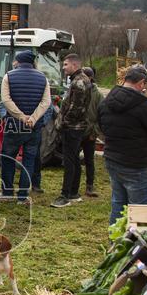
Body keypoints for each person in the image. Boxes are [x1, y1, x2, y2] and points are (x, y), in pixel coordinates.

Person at [98, 65, 147, 225]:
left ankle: (116, 241)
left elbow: (101, 126)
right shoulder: (145, 106)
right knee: (138, 210)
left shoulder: (106, 101)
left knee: (118, 202)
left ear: (125, 80)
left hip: (113, 159)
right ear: (141, 83)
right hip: (137, 165)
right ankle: (132, 244)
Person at [0, 50, 50, 203]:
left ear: (18, 61)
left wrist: (21, 116)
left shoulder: (8, 76)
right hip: (34, 127)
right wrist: (32, 119)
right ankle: (22, 196)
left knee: (8, 158)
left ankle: (7, 192)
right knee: (29, 160)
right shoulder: (43, 78)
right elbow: (46, 102)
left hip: (14, 126)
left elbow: (6, 100)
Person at [51, 54, 92, 208]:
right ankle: (74, 193)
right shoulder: (78, 79)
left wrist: (63, 123)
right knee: (74, 159)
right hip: (75, 127)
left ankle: (65, 195)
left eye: (66, 64)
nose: (63, 67)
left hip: (73, 128)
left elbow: (77, 108)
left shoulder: (79, 81)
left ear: (75, 65)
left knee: (69, 161)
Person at [80, 66, 102, 198]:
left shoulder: (98, 95)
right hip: (76, 131)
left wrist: (95, 132)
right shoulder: (76, 90)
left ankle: (89, 186)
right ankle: (72, 187)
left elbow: (102, 116)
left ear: (90, 78)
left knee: (89, 160)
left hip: (90, 133)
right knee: (72, 160)